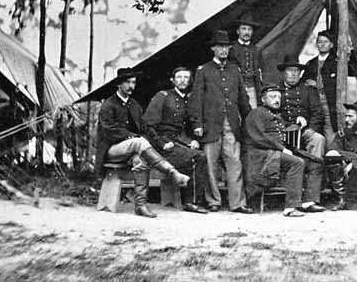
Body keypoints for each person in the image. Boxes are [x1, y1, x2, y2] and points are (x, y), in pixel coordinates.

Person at [94, 68, 190, 218]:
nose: (131, 86)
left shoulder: (134, 105)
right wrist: (133, 137)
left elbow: (145, 128)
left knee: (141, 160)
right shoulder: (109, 104)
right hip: (112, 149)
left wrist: (160, 143)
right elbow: (109, 132)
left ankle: (140, 205)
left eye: (133, 82)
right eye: (127, 82)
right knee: (138, 142)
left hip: (133, 149)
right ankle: (173, 172)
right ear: (119, 84)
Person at [189, 30, 253, 214]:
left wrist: (249, 120)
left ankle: (237, 203)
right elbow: (196, 100)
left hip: (231, 125)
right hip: (210, 125)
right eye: (220, 47)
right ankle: (213, 201)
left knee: (234, 163)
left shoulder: (234, 70)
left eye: (226, 47)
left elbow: (243, 98)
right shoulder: (203, 71)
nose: (224, 50)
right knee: (211, 164)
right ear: (213, 49)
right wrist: (197, 124)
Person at [143, 66, 210, 214]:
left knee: (200, 155)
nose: (183, 80)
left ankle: (194, 200)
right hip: (163, 144)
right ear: (172, 80)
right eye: (179, 77)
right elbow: (148, 125)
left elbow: (188, 126)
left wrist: (192, 140)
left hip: (179, 142)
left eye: (186, 77)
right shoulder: (163, 96)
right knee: (198, 158)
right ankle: (191, 202)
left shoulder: (189, 100)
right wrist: (162, 143)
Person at [244, 85, 310, 217]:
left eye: (279, 97)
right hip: (260, 156)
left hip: (273, 153)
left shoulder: (274, 114)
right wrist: (282, 149)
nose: (277, 100)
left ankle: (308, 202)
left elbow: (280, 128)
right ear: (263, 99)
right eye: (272, 97)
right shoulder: (256, 113)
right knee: (297, 162)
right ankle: (291, 207)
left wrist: (298, 120)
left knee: (311, 161)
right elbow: (261, 137)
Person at [277, 53, 327, 212]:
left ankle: (311, 199)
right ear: (284, 72)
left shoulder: (308, 90)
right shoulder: (275, 90)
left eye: (296, 71)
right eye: (290, 70)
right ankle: (292, 199)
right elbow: (270, 113)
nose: (293, 74)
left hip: (304, 130)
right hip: (281, 133)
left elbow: (318, 112)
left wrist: (309, 127)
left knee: (318, 139)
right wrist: (285, 126)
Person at [302, 30, 357, 146]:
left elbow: (352, 71)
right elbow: (303, 82)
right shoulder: (311, 63)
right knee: (314, 133)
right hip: (313, 103)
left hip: (329, 103)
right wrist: (308, 83)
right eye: (320, 42)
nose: (322, 44)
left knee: (331, 132)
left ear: (331, 45)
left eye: (325, 42)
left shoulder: (337, 62)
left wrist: (349, 53)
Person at [228, 13, 263, 109]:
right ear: (238, 31)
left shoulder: (256, 50)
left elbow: (259, 70)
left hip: (252, 87)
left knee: (252, 112)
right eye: (243, 29)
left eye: (249, 29)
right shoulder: (231, 49)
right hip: (236, 88)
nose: (246, 32)